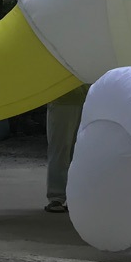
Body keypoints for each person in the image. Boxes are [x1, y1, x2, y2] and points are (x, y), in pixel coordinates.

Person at [45, 85, 87, 213]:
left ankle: (73, 197)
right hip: (62, 100)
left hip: (86, 99)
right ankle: (57, 197)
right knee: (60, 149)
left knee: (80, 152)